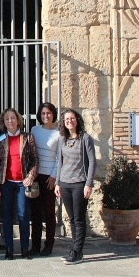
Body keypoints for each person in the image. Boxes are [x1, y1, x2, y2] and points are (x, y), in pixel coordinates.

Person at [0, 108, 39, 260]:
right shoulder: (0, 139)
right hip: (6, 183)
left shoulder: (27, 137)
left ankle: (25, 248)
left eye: (13, 118)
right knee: (6, 216)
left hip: (22, 183)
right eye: (7, 119)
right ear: (3, 122)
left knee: (23, 215)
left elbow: (35, 159)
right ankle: (9, 248)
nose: (10, 121)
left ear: (18, 120)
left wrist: (31, 176)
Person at [54, 109, 97, 265]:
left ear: (77, 120)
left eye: (72, 118)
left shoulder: (85, 139)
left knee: (79, 219)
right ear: (63, 123)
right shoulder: (62, 140)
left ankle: (77, 252)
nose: (69, 121)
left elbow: (92, 162)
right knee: (72, 219)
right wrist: (58, 182)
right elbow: (60, 162)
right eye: (66, 119)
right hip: (65, 183)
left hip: (79, 183)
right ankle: (75, 249)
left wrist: (89, 184)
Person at [29, 102, 60, 256]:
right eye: (43, 114)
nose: (46, 116)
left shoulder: (59, 133)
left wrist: (54, 176)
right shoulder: (35, 130)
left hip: (49, 177)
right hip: (35, 175)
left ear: (53, 114)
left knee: (49, 213)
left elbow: (60, 157)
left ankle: (48, 245)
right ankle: (34, 245)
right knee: (35, 213)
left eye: (48, 113)